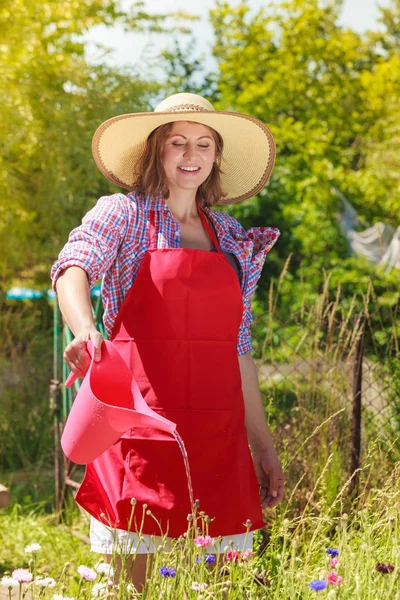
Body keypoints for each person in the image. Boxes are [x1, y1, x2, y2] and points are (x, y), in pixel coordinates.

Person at [50, 92, 284, 591]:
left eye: (203, 143)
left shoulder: (230, 235)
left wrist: (261, 444)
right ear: (156, 150)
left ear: (217, 156)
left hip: (218, 434)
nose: (191, 154)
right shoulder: (125, 215)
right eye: (177, 142)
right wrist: (85, 329)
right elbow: (73, 267)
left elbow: (238, 347)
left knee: (222, 586)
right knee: (131, 587)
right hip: (138, 428)